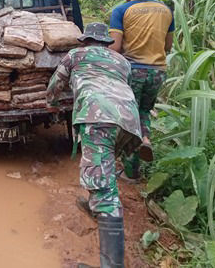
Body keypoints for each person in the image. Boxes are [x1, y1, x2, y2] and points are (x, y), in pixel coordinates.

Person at [47, 22, 142, 268]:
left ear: (86, 40)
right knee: (104, 171)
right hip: (129, 120)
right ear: (106, 43)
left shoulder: (76, 54)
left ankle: (111, 265)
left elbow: (56, 84)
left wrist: (52, 103)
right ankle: (94, 205)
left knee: (104, 188)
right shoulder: (121, 61)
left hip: (97, 117)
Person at [109, 0, 174, 182]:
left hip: (133, 70)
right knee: (144, 111)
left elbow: (115, 47)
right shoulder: (166, 10)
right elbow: (168, 46)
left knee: (128, 118)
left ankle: (129, 171)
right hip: (158, 72)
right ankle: (145, 138)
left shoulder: (121, 10)